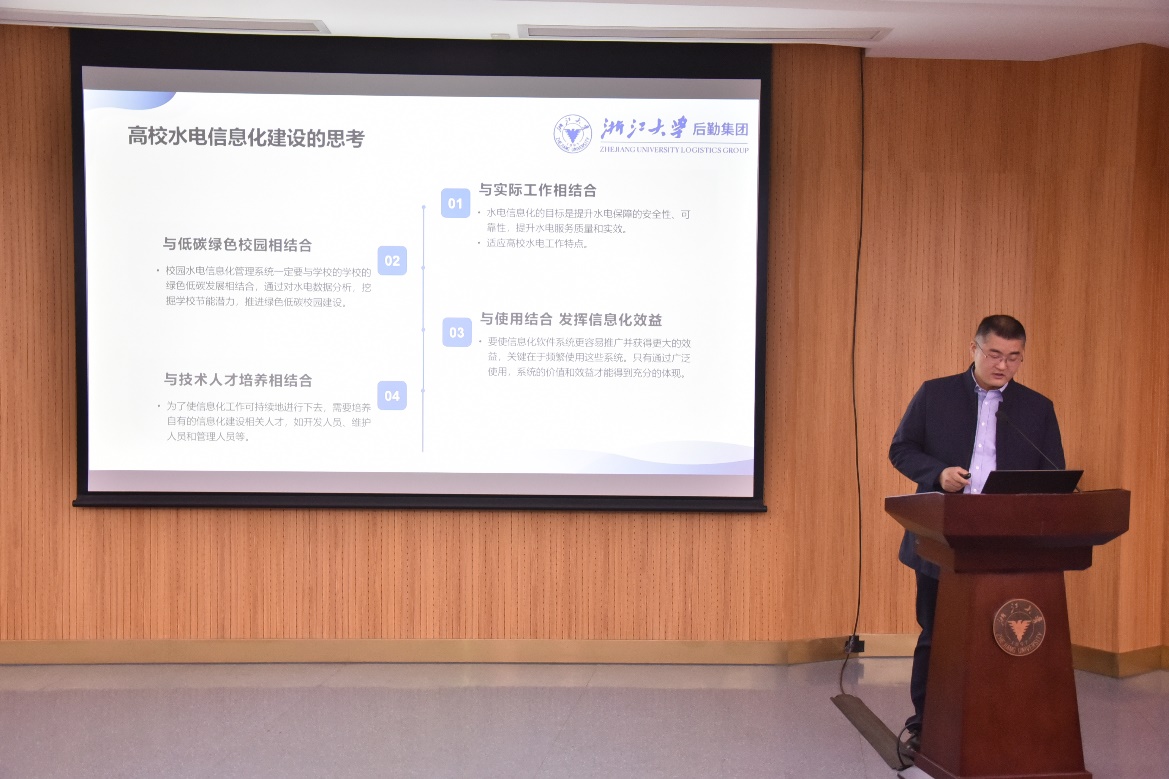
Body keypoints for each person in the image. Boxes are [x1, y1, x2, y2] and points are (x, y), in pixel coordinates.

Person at [888, 314, 1065, 752]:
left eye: (1014, 357)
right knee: (937, 634)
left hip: (1007, 541)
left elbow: (1054, 472)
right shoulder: (936, 394)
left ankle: (1001, 723)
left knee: (1002, 635)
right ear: (974, 349)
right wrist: (938, 473)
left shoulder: (1037, 408)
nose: (1003, 366)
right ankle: (925, 725)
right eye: (994, 354)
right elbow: (901, 449)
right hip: (942, 534)